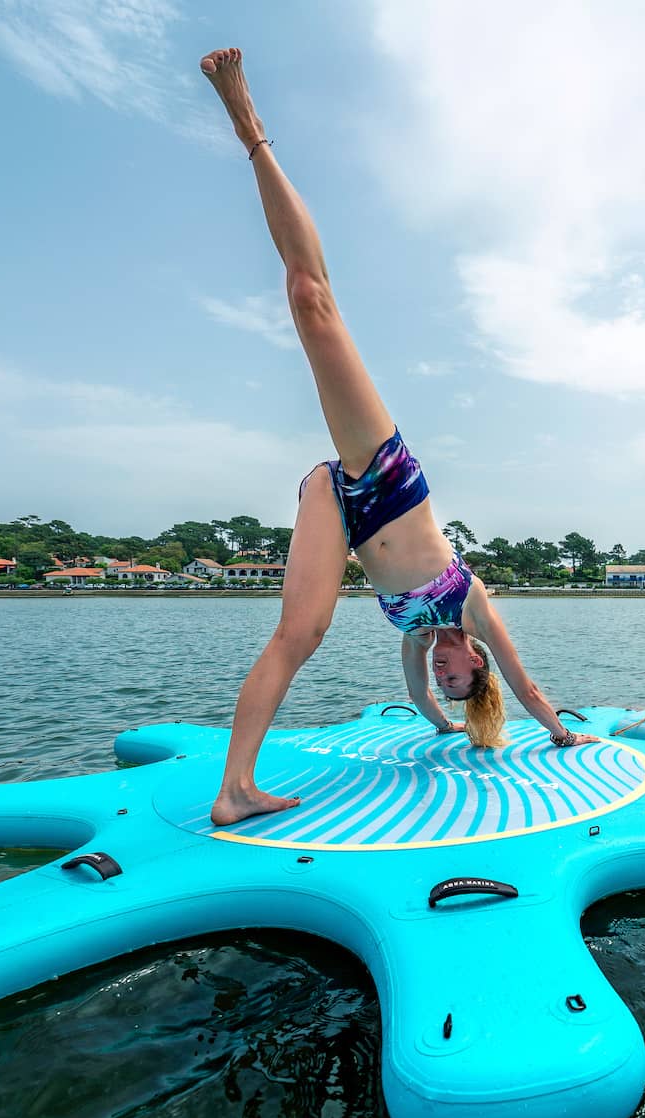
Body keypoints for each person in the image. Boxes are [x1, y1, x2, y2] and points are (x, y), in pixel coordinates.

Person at [198, 47, 593, 828]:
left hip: (341, 502)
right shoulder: (475, 609)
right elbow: (526, 685)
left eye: (441, 674)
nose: (441, 668)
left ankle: (233, 789)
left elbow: (415, 700)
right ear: (472, 659)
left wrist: (446, 725)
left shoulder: (419, 649)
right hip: (387, 477)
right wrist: (557, 732)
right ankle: (252, 129)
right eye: (454, 672)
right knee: (312, 301)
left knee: (299, 632)